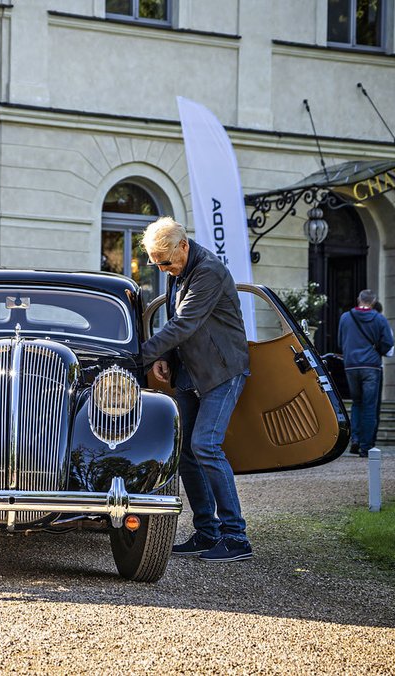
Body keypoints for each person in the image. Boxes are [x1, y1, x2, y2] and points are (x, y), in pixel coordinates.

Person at [139, 216, 253, 563]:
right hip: (190, 371)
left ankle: (236, 537)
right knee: (184, 451)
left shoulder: (209, 272)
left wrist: (140, 355)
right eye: (157, 264)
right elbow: (177, 323)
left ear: (183, 246)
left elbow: (185, 322)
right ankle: (207, 532)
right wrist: (168, 358)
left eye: (167, 262)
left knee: (205, 444)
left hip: (223, 370)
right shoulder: (180, 270)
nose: (164, 269)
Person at [338, 289, 394, 458]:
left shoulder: (345, 317)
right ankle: (365, 445)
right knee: (369, 406)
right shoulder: (379, 318)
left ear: (358, 299)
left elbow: (341, 342)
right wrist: (377, 350)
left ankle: (355, 439)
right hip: (371, 365)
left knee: (356, 403)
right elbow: (388, 344)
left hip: (351, 365)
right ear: (374, 301)